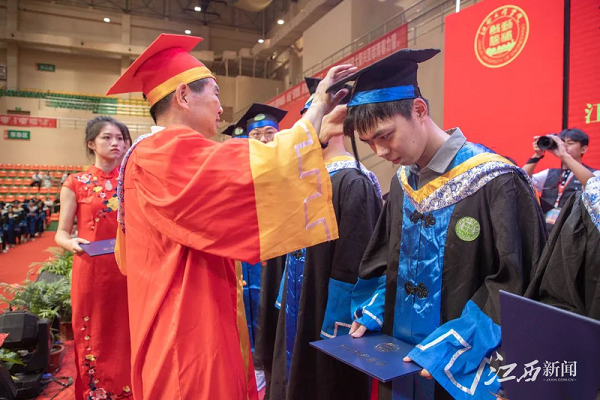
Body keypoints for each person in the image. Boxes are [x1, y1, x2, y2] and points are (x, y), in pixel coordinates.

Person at [105, 33, 354, 400]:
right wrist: (315, 109)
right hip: (185, 330)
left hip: (185, 313)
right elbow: (249, 174)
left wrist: (312, 139)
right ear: (183, 95)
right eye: (216, 94)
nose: (221, 109)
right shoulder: (163, 152)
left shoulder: (148, 155)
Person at [336, 49, 547, 399]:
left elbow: (517, 279)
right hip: (398, 357)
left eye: (385, 135)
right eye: (369, 142)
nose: (381, 151)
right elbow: (386, 261)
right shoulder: (402, 183)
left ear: (419, 110)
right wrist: (376, 309)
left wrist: (455, 342)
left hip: (463, 362)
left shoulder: (496, 179)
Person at [269, 80, 383, 400]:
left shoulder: (354, 181)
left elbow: (354, 264)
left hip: (325, 316)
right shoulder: (308, 179)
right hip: (299, 302)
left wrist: (337, 327)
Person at [55, 116, 133, 400]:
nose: (116, 143)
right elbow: (61, 233)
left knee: (128, 333)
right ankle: (97, 393)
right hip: (91, 271)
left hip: (130, 271)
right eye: (107, 137)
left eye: (120, 138)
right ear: (91, 143)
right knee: (94, 334)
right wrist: (71, 243)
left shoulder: (134, 182)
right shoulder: (75, 183)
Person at [223, 102, 288, 392]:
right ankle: (252, 362)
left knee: (272, 302)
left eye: (269, 132)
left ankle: (269, 362)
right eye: (255, 134)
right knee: (246, 305)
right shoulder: (236, 174)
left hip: (278, 253)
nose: (263, 139)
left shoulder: (288, 169)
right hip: (245, 256)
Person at [526, 176, 600, 320]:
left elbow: (590, 180)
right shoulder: (551, 173)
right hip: (552, 231)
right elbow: (528, 177)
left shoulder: (592, 181)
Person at [522, 128, 599, 229]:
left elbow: (592, 185)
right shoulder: (549, 173)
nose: (564, 146)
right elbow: (522, 180)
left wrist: (564, 155)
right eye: (562, 142)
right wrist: (537, 155)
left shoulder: (594, 174)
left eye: (570, 143)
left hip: (573, 230)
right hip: (546, 229)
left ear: (583, 149)